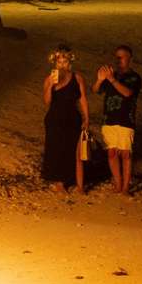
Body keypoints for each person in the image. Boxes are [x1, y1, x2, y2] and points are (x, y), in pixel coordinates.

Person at [40, 44, 90, 193]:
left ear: (70, 63)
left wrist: (87, 118)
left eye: (65, 62)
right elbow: (47, 101)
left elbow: (83, 99)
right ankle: (59, 182)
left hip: (72, 117)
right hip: (55, 118)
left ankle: (75, 182)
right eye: (59, 62)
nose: (62, 65)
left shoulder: (77, 78)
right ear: (55, 63)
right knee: (56, 148)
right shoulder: (50, 79)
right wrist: (51, 86)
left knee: (73, 150)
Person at [95, 45, 142, 197]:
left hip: (126, 120)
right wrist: (99, 80)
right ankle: (118, 183)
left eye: (122, 56)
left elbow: (128, 93)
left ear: (130, 59)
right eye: (117, 56)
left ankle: (125, 187)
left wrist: (112, 79)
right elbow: (96, 90)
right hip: (109, 119)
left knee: (126, 154)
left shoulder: (134, 77)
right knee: (112, 153)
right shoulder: (110, 75)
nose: (118, 59)